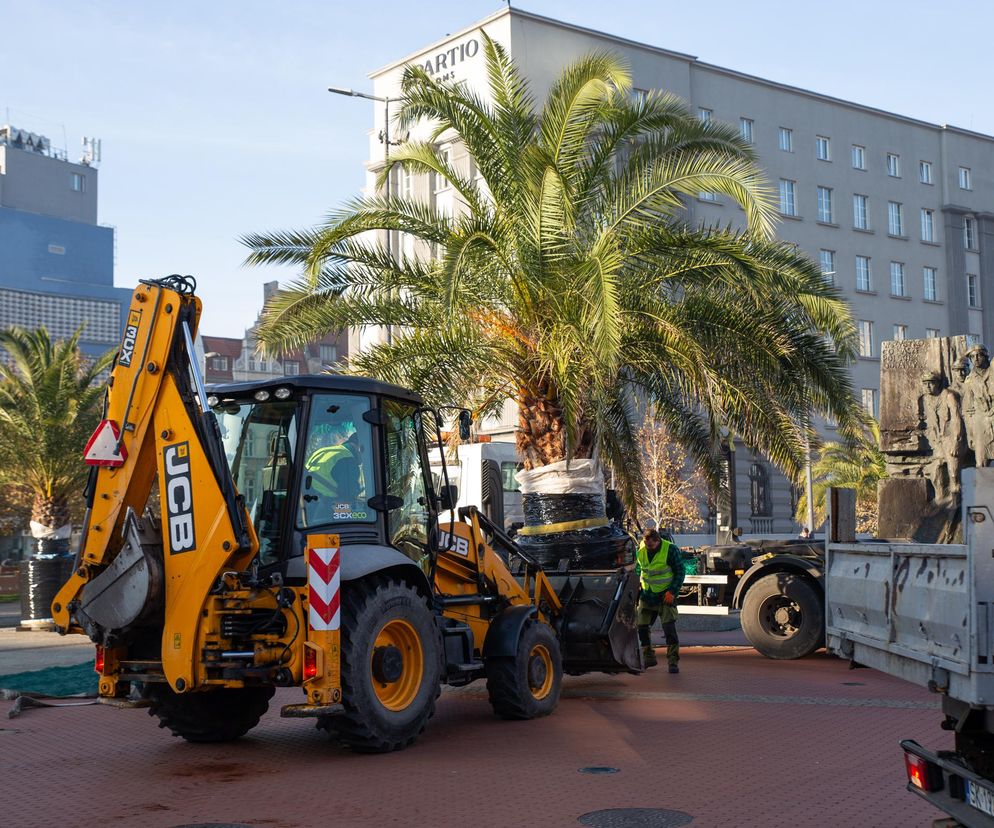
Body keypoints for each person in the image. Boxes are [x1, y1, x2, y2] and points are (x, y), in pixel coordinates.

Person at [635, 528, 686, 673]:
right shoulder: (642, 548)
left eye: (651, 545)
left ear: (657, 541)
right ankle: (648, 658)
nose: (648, 547)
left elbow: (680, 571)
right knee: (642, 627)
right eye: (646, 543)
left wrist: (672, 592)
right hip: (647, 593)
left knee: (669, 628)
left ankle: (673, 661)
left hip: (665, 595)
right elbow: (639, 569)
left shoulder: (670, 550)